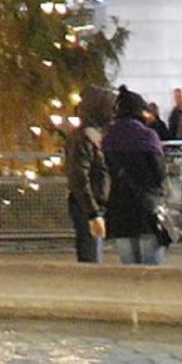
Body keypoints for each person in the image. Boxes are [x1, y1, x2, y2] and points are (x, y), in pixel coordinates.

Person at [102, 86, 167, 266]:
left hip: (119, 207)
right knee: (149, 266)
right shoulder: (148, 136)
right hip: (145, 207)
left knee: (128, 266)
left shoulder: (108, 138)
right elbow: (159, 173)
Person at [64, 86, 111, 263]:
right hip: (87, 205)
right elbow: (79, 177)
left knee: (92, 254)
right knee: (90, 258)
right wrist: (92, 212)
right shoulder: (84, 137)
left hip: (93, 203)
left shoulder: (93, 134)